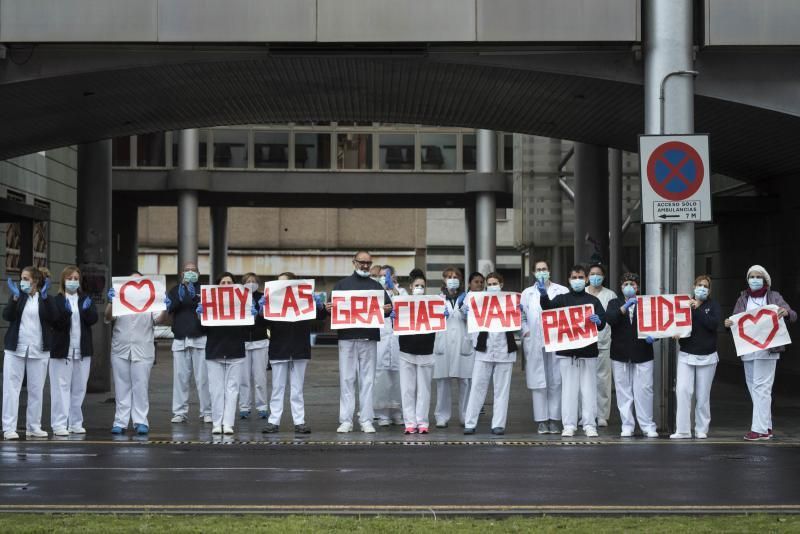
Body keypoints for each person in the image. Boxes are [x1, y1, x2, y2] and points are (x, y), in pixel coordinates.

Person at [724, 265, 796, 441]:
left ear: (765, 280)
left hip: (768, 349)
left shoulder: (774, 296)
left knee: (761, 388)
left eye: (758, 276)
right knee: (755, 389)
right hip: (748, 350)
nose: (754, 279)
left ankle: (758, 429)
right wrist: (728, 324)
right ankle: (767, 426)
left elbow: (792, 314)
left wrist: (785, 312)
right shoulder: (742, 299)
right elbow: (735, 319)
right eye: (751, 276)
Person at [325, 251, 392, 433]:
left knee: (367, 380)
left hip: (369, 337)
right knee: (347, 379)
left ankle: (366, 419)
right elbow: (330, 309)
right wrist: (328, 308)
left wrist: (387, 308)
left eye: (368, 263)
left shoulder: (377, 286)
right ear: (354, 262)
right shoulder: (341, 285)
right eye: (362, 262)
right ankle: (346, 420)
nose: (365, 266)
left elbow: (387, 309)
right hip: (347, 337)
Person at [538, 264, 606, 437]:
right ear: (569, 280)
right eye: (574, 277)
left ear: (586, 279)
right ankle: (569, 424)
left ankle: (590, 424)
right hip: (567, 353)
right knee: (568, 390)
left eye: (581, 277)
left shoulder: (593, 301)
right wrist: (543, 295)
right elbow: (547, 310)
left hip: (588, 351)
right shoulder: (562, 299)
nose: (578, 280)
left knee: (589, 389)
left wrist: (599, 321)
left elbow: (602, 323)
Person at [261, 272, 327, 434]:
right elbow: (262, 322)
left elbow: (321, 315)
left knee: (297, 388)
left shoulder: (303, 299)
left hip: (299, 347)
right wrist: (262, 308)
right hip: (279, 347)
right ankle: (273, 421)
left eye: (283, 282)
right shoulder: (272, 301)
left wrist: (319, 305)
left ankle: (299, 421)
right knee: (278, 387)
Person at [2, 266, 58, 440]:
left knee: (36, 390)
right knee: (11, 389)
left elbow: (54, 318)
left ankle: (33, 426)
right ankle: (9, 427)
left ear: (35, 281)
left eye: (26, 278)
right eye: (22, 278)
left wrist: (46, 299)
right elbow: (7, 316)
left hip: (38, 350)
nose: (22, 282)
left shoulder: (46, 298)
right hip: (16, 348)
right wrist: (15, 297)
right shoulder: (18, 297)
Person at [106, 271, 164, 435]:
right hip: (120, 348)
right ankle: (120, 422)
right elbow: (108, 317)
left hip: (143, 349)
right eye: (131, 281)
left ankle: (140, 421)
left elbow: (158, 320)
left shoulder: (150, 301)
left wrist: (164, 307)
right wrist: (111, 302)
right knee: (121, 386)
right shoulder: (119, 300)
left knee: (140, 386)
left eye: (138, 281)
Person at [463, 272, 518, 435]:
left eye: (495, 283)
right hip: (484, 349)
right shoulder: (478, 299)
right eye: (490, 283)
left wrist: (518, 310)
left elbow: (519, 323)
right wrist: (466, 310)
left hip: (505, 349)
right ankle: (470, 422)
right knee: (477, 387)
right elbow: (465, 317)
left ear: (501, 284)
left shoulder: (510, 301)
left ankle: (498, 424)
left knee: (502, 389)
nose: (492, 286)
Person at [604, 273, 658, 438]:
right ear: (621, 287)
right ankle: (627, 425)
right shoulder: (614, 303)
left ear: (638, 287)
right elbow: (610, 319)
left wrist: (655, 335)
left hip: (643, 352)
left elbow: (658, 322)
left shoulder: (647, 303)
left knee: (644, 390)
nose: (629, 286)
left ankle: (647, 425)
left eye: (633, 284)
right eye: (626, 283)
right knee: (623, 391)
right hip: (620, 353)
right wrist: (624, 307)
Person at [198, 272, 252, 435]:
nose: (226, 285)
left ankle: (228, 423)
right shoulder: (210, 302)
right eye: (223, 282)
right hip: (215, 350)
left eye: (229, 282)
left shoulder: (242, 303)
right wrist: (199, 314)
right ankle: (217, 422)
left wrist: (253, 314)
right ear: (217, 286)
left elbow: (249, 330)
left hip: (235, 350)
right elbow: (202, 329)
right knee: (216, 390)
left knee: (232, 389)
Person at [520, 260, 569, 434]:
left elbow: (567, 314)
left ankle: (555, 419)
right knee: (539, 381)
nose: (542, 272)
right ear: (534, 272)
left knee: (556, 379)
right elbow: (522, 316)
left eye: (544, 269)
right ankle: (541, 420)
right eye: (539, 269)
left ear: (549, 271)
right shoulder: (527, 293)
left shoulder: (562, 291)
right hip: (534, 340)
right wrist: (525, 331)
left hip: (555, 340)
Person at [49, 266, 98, 436]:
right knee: (60, 388)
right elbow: (55, 323)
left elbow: (93, 319)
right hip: (62, 350)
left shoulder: (85, 299)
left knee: (79, 388)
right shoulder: (57, 300)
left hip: (82, 350)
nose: (73, 281)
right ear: (63, 280)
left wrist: (85, 310)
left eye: (76, 278)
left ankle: (76, 422)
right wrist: (66, 314)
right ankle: (59, 424)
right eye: (70, 278)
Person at [671, 275, 720, 440]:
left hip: (707, 356)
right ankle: (683, 430)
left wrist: (697, 309)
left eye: (705, 286)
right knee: (683, 391)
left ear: (709, 290)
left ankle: (701, 428)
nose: (702, 288)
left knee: (703, 394)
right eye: (699, 285)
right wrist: (676, 333)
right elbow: (678, 324)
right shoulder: (685, 304)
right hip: (686, 354)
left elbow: (712, 325)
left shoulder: (713, 306)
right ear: (693, 286)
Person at [166, 262, 212, 424]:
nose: (190, 272)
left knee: (203, 378)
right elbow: (169, 310)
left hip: (200, 337)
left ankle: (207, 411)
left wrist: (194, 296)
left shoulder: (204, 290)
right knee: (180, 378)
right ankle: (179, 412)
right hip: (180, 338)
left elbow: (210, 311)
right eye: (187, 270)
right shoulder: (174, 290)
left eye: (193, 270)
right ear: (182, 274)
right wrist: (179, 296)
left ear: (199, 274)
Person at [432, 266, 473, 428]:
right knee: (443, 382)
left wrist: (465, 310)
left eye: (456, 276)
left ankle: (465, 415)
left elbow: (473, 318)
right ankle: (441, 416)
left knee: (465, 382)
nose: (452, 279)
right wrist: (438, 314)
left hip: (463, 342)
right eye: (449, 276)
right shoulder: (437, 298)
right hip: (443, 343)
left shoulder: (467, 298)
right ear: (443, 279)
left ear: (461, 280)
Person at [397, 275, 436, 434]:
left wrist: (443, 314)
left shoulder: (432, 303)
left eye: (422, 285)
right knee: (407, 389)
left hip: (426, 349)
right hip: (406, 349)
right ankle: (409, 422)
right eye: (417, 285)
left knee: (424, 389)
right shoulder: (403, 303)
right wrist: (394, 316)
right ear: (411, 287)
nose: (420, 288)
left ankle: (422, 422)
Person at [585, 263, 617, 427]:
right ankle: (585, 413)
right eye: (592, 273)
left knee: (603, 380)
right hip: (584, 343)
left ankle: (602, 414)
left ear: (603, 277)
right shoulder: (581, 293)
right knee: (584, 380)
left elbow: (613, 318)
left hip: (604, 342)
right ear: (587, 276)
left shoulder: (610, 295)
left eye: (598, 274)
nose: (595, 277)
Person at [374, 264, 404, 426]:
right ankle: (383, 414)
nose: (384, 278)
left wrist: (394, 291)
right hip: (382, 340)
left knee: (399, 378)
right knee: (382, 378)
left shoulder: (402, 292)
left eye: (387, 275)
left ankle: (398, 412)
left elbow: (405, 305)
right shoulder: (375, 294)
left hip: (398, 341)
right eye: (381, 275)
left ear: (394, 277)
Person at [238, 272, 269, 420]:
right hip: (243, 341)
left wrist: (262, 312)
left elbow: (268, 321)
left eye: (253, 281)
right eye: (247, 281)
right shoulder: (238, 297)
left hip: (260, 341)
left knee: (260, 377)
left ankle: (262, 406)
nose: (251, 283)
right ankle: (244, 406)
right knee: (243, 378)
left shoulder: (263, 297)